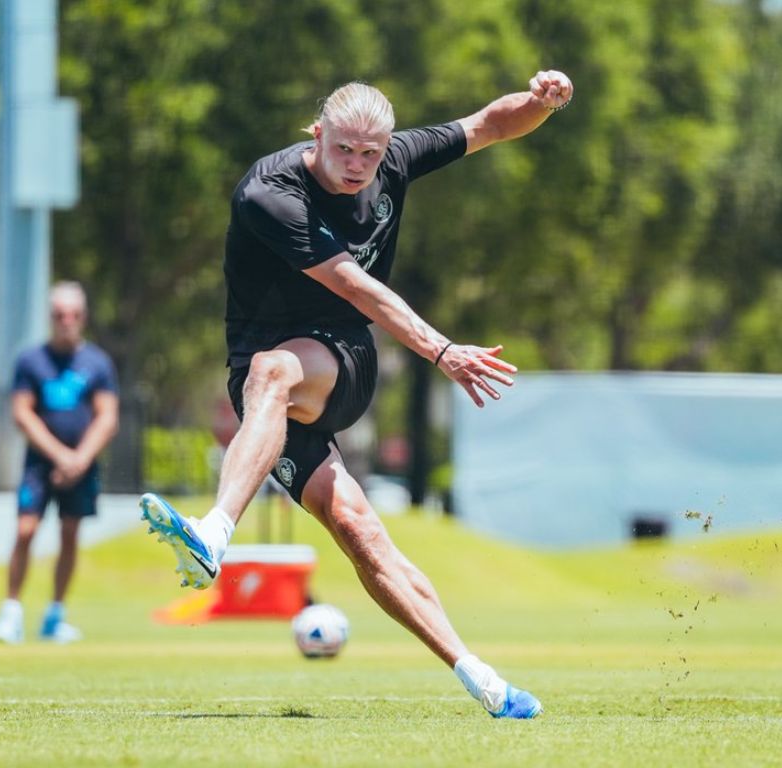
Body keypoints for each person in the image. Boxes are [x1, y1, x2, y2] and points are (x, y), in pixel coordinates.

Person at [140, 71, 575, 718]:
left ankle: (213, 533)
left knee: (273, 372)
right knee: (359, 534)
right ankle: (483, 678)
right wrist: (441, 349)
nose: (357, 166)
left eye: (370, 154)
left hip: (339, 362)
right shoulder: (270, 192)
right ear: (316, 134)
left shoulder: (392, 159)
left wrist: (539, 103)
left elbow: (491, 123)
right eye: (343, 149)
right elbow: (354, 283)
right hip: (270, 396)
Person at [0, 281, 119, 644]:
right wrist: (60, 455)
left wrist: (80, 459)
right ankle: (11, 612)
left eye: (73, 315)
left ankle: (55, 615)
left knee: (70, 534)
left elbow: (107, 417)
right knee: (26, 530)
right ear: (50, 318)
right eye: (60, 315)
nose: (67, 321)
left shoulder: (98, 363)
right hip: (39, 464)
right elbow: (22, 414)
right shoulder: (30, 360)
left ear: (83, 317)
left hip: (82, 464)